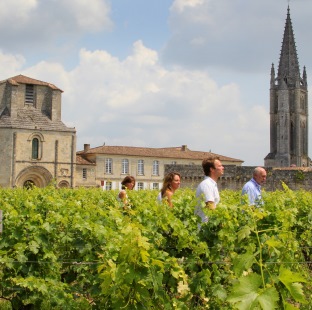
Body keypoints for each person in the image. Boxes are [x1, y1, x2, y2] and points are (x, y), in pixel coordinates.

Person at [195, 156, 224, 223]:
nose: (223, 167)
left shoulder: (211, 184)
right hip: (204, 226)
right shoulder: (207, 184)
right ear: (212, 169)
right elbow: (210, 205)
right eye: (220, 166)